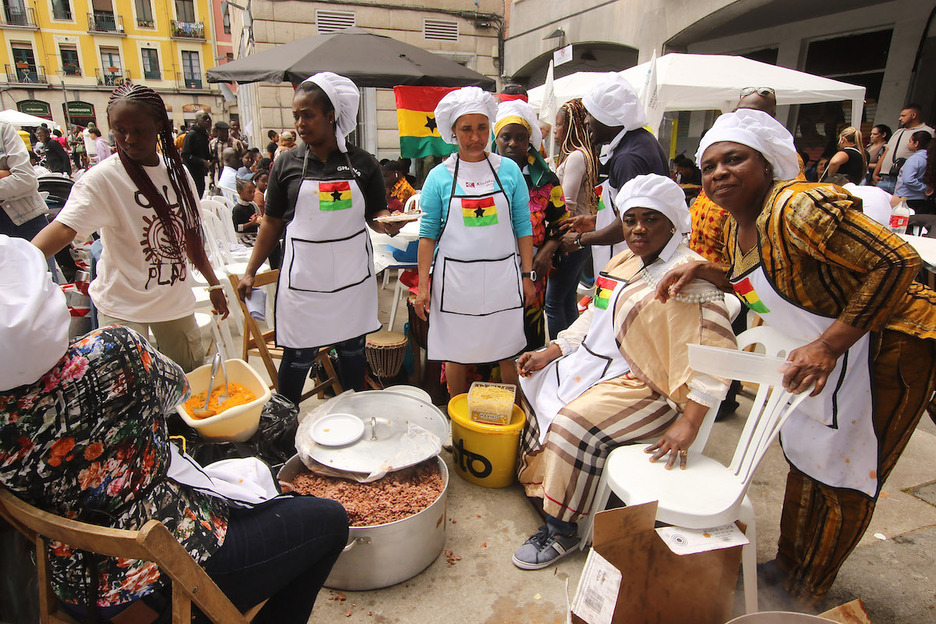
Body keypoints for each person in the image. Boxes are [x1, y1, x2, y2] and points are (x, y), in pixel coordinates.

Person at [657, 108, 936, 603]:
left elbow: (899, 260)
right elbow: (768, 284)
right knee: (808, 458)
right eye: (709, 166)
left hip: (889, 344)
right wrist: (710, 273)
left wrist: (828, 345)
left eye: (735, 159)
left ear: (766, 165)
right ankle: (788, 567)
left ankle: (807, 589)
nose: (719, 173)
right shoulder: (731, 225)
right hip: (830, 355)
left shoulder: (798, 208)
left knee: (848, 473)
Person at [0, 235, 349, 624]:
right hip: (169, 573)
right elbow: (178, 393)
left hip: (69, 585)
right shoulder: (114, 351)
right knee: (328, 521)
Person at [511, 174, 735, 569]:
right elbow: (592, 317)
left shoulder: (689, 277)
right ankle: (544, 489)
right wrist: (553, 349)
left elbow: (717, 360)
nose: (638, 228)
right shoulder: (623, 260)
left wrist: (691, 423)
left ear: (673, 223)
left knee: (572, 423)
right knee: (530, 383)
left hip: (654, 387)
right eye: (630, 219)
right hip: (596, 361)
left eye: (651, 219)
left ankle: (563, 528)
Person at [32, 84, 229, 373]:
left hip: (174, 305)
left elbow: (190, 235)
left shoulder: (179, 173)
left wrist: (214, 284)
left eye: (139, 129)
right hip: (123, 309)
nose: (128, 139)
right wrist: (19, 260)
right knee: (129, 395)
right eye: (119, 130)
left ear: (159, 125)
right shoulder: (102, 179)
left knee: (190, 385)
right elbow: (64, 229)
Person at [237, 72, 399, 405]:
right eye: (296, 115)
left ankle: (353, 417)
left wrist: (387, 224)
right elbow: (270, 223)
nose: (299, 123)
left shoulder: (363, 163)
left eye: (307, 115)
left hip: (351, 281)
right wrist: (250, 270)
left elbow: (376, 214)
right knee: (297, 355)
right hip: (305, 283)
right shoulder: (286, 165)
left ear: (330, 116)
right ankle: (283, 425)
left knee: (353, 352)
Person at [412, 87, 533, 398]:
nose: (476, 137)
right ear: (453, 131)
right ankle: (459, 423)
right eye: (467, 129)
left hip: (502, 278)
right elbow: (427, 236)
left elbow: (523, 226)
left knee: (508, 349)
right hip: (455, 281)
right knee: (455, 351)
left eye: (482, 127)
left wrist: (527, 275)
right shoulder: (439, 177)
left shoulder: (508, 171)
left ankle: (511, 418)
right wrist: (424, 286)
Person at [559, 73, 669, 281]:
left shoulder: (629, 158)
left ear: (608, 117)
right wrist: (594, 221)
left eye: (591, 114)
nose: (586, 121)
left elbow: (629, 224)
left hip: (628, 266)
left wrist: (581, 239)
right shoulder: (639, 143)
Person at [494, 99, 569, 350]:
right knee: (494, 329)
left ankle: (526, 382)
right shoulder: (482, 176)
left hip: (533, 269)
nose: (513, 143)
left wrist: (547, 252)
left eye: (520, 137)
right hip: (490, 268)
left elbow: (563, 223)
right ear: (496, 139)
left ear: (530, 141)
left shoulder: (545, 179)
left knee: (528, 329)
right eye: (506, 137)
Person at [547, 98, 598, 337]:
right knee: (567, 298)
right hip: (580, 238)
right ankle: (571, 351)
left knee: (553, 302)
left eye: (558, 125)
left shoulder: (577, 157)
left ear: (572, 127)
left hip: (572, 237)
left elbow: (567, 203)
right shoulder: (580, 155)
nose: (554, 131)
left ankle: (558, 356)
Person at [873, 104, 934, 193]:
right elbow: (887, 151)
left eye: (903, 116)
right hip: (884, 178)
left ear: (913, 115)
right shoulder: (898, 132)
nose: (900, 118)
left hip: (904, 180)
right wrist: (875, 173)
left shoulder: (928, 131)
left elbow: (930, 156)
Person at [895, 130, 933, 214]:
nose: (908, 144)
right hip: (920, 198)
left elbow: (908, 179)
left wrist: (925, 188)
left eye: (910, 141)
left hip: (907, 198)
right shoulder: (929, 157)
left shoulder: (915, 159)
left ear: (916, 143)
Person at [182, 110, 212, 197]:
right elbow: (185, 155)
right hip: (192, 172)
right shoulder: (191, 135)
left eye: (208, 118)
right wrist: (202, 162)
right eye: (204, 118)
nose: (207, 120)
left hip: (200, 172)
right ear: (197, 120)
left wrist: (211, 158)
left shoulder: (203, 135)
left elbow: (204, 152)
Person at [232, 177, 260, 245]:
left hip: (254, 235)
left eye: (254, 192)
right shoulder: (238, 209)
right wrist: (250, 224)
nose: (253, 194)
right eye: (249, 192)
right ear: (240, 192)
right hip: (243, 237)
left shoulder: (252, 206)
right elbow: (237, 228)